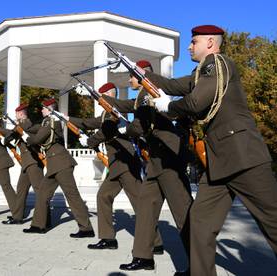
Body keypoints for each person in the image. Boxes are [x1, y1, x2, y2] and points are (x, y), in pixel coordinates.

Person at [149, 25, 277, 276]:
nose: (189, 46)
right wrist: (141, 73)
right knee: (200, 221)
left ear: (210, 42)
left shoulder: (218, 63)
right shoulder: (201, 73)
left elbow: (196, 102)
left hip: (243, 156)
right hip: (220, 161)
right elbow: (174, 85)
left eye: (193, 41)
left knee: (272, 220)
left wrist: (169, 107)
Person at [101, 62, 193, 271]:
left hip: (167, 157)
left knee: (183, 212)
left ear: (141, 75)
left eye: (131, 76)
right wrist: (103, 99)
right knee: (145, 209)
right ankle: (143, 256)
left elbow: (139, 125)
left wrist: (124, 131)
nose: (129, 80)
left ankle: (198, 263)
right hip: (156, 159)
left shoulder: (147, 92)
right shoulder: (143, 94)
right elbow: (126, 106)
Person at [69, 82, 164, 254]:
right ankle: (107, 238)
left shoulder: (115, 113)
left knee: (139, 203)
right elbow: (89, 123)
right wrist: (67, 119)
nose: (99, 98)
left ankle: (155, 242)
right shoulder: (107, 113)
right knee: (104, 196)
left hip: (125, 163)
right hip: (117, 164)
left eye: (102, 95)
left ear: (110, 95)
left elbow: (106, 132)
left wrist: (89, 142)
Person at [22, 98, 94, 238]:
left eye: (43, 108)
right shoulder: (46, 122)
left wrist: (27, 139)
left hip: (61, 164)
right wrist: (23, 121)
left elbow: (37, 139)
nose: (41, 110)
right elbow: (33, 128)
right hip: (55, 164)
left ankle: (86, 229)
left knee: (72, 196)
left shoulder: (51, 121)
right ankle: (38, 225)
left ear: (49, 109)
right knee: (43, 194)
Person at [2, 103, 45, 225]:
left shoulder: (26, 123)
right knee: (21, 189)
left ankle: (45, 218)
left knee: (40, 191)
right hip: (27, 162)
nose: (16, 117)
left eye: (17, 115)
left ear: (21, 114)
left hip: (33, 161)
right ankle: (17, 217)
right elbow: (12, 134)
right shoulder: (20, 126)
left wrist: (9, 134)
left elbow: (16, 132)